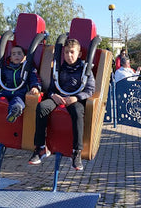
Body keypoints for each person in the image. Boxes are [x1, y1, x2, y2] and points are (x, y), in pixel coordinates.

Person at [28, 39, 95, 171]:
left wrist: (76, 98)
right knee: (42, 107)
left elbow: (90, 90)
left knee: (77, 112)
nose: (69, 56)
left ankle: (76, 152)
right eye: (66, 52)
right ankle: (40, 148)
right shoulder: (59, 68)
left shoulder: (85, 70)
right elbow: (52, 88)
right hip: (59, 97)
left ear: (79, 54)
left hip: (75, 100)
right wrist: (53, 95)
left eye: (72, 52)